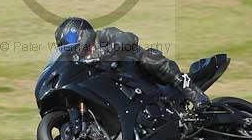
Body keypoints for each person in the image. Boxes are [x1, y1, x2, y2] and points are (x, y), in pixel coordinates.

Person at [54, 17, 211, 110]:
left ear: (82, 33)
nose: (71, 50)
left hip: (146, 76)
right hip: (128, 94)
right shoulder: (84, 63)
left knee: (149, 58)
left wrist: (104, 52)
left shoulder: (104, 35)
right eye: (65, 48)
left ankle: (194, 93)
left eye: (70, 44)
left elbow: (129, 38)